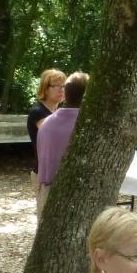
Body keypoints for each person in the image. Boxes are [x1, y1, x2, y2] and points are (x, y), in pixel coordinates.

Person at [35, 71, 88, 215]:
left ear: (66, 93)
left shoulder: (47, 123)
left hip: (48, 190)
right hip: (79, 194)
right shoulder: (90, 126)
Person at [28, 68, 65, 184]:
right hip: (44, 174)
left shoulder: (59, 112)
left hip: (59, 173)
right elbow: (57, 137)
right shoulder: (38, 112)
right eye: (57, 86)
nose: (62, 90)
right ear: (45, 89)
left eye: (64, 86)